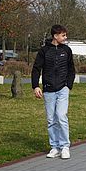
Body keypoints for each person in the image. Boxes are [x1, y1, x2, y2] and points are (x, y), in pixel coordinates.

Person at [31, 25, 75, 159]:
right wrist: (35, 86)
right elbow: (36, 69)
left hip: (63, 89)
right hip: (48, 90)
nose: (65, 37)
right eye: (63, 35)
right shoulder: (44, 51)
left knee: (61, 116)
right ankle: (54, 147)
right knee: (51, 120)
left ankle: (65, 147)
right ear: (55, 36)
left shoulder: (67, 50)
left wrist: (68, 86)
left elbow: (71, 70)